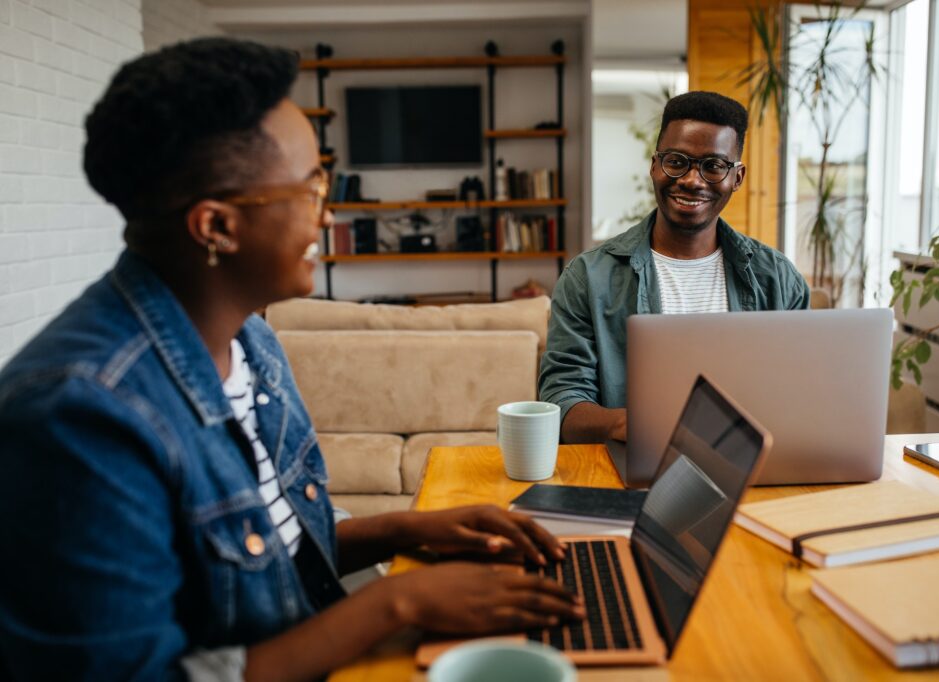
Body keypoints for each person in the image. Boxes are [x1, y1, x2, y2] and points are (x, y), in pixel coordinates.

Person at [0, 38, 582, 681]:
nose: (327, 215)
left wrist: (411, 529)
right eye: (310, 189)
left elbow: (274, 541)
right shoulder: (75, 417)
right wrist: (399, 599)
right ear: (215, 226)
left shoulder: (252, 342)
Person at [539, 91, 809, 444]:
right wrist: (627, 424)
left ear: (737, 178)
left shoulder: (778, 280)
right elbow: (561, 404)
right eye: (677, 161)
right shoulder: (588, 278)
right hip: (626, 477)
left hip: (755, 473)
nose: (692, 180)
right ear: (655, 165)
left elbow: (802, 398)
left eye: (713, 166)